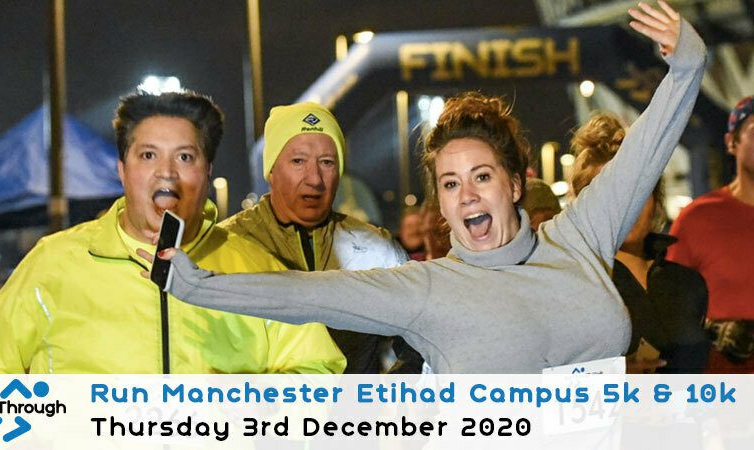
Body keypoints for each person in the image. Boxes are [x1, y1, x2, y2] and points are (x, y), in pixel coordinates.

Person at [147, 2, 706, 373]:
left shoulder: (579, 236)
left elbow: (645, 150)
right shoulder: (427, 289)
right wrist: (200, 288)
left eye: (482, 177)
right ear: (441, 201)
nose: (468, 195)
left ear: (515, 184)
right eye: (450, 183)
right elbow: (304, 294)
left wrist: (686, 66)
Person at [0, 91, 345, 374]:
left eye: (185, 157)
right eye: (148, 155)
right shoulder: (54, 263)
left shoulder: (256, 267)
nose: (166, 172)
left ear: (207, 171)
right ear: (122, 170)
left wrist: (252, 410)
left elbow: (318, 368)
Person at [220, 102, 421, 373]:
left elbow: (422, 342)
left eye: (327, 162)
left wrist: (388, 394)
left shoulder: (376, 249)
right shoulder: (228, 245)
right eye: (298, 161)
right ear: (271, 171)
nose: (314, 179)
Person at [570, 113, 709, 373]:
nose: (627, 205)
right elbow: (530, 378)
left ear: (655, 197)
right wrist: (608, 377)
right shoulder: (569, 286)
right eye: (610, 193)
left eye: (638, 190)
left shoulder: (689, 283)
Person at [667, 95, 754, 373]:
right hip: (725, 386)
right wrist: (714, 330)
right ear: (731, 142)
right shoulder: (697, 219)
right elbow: (670, 307)